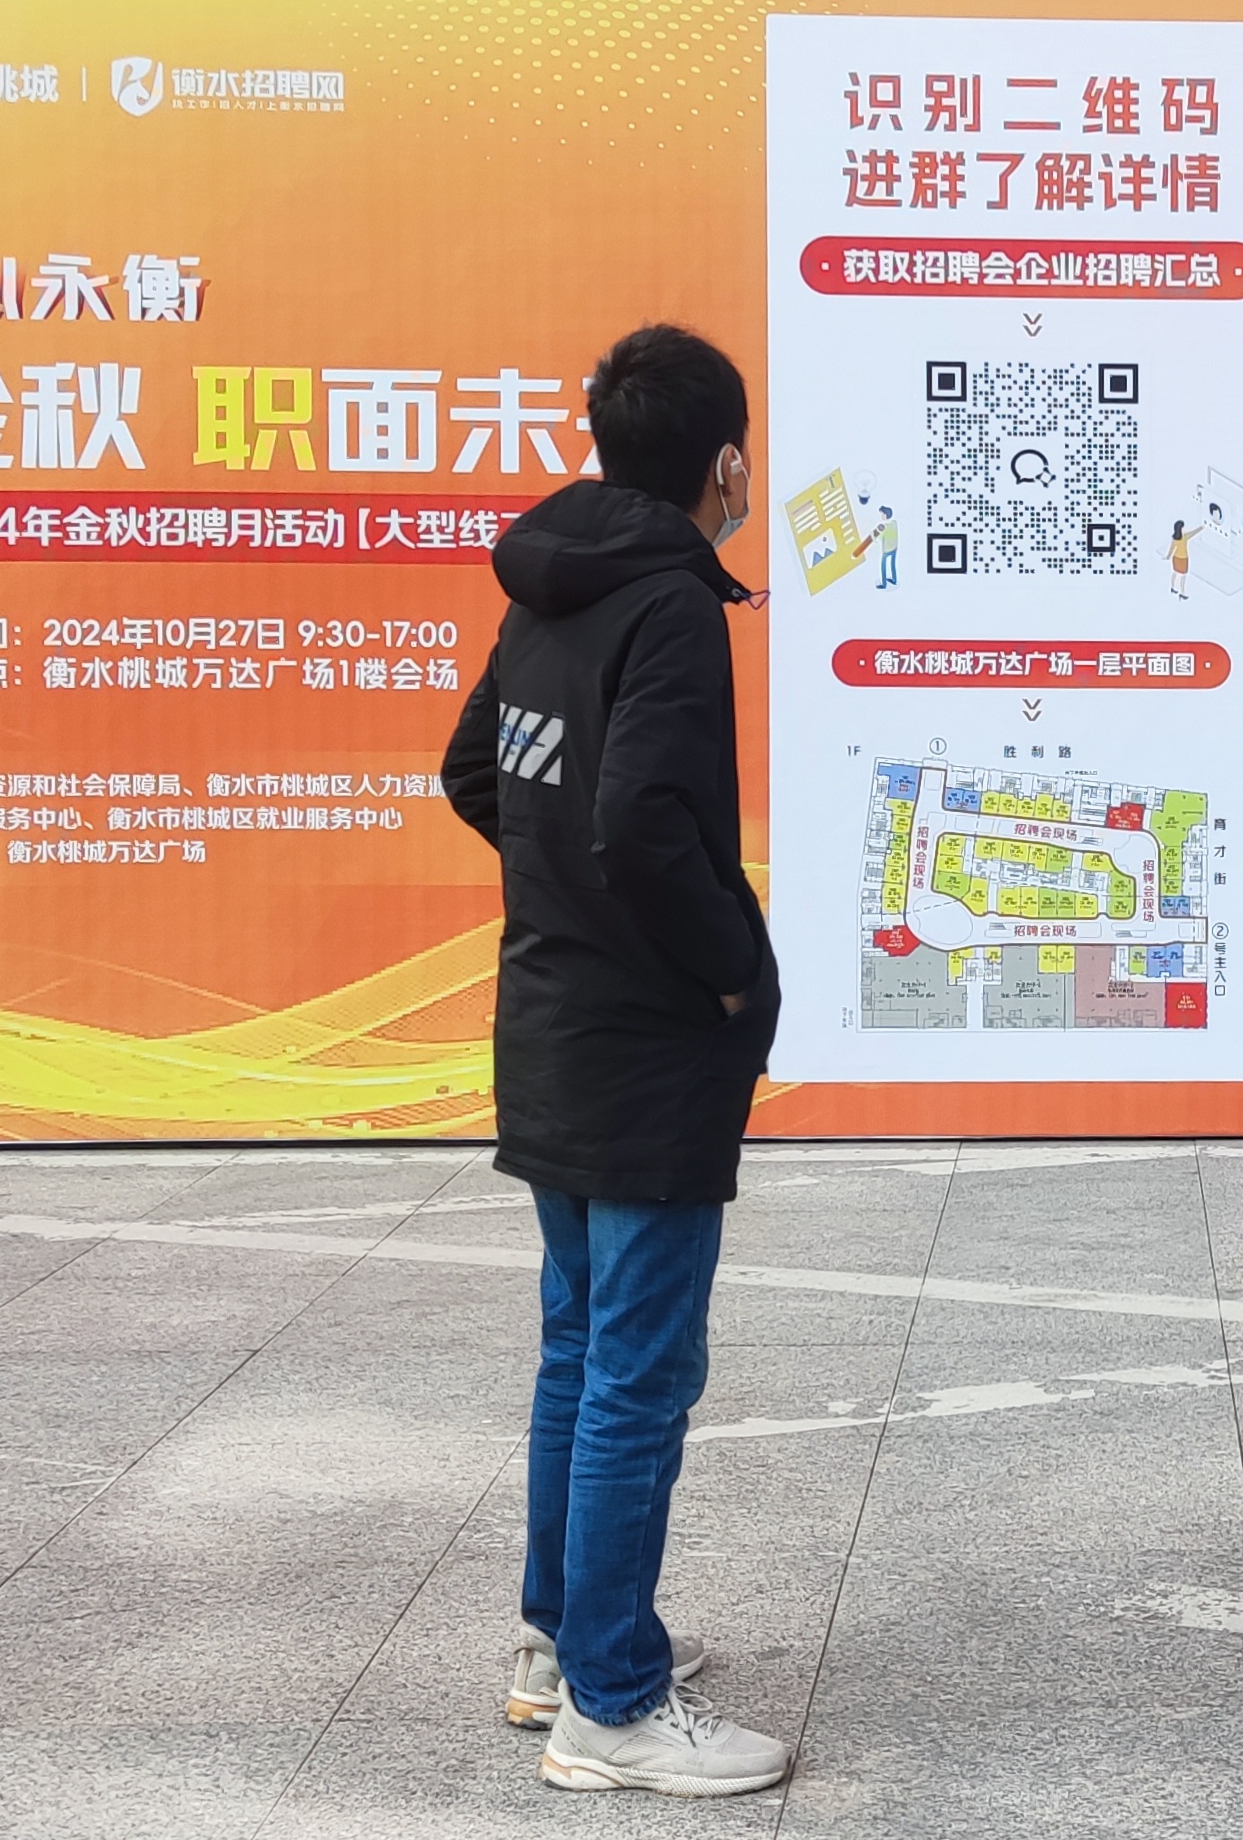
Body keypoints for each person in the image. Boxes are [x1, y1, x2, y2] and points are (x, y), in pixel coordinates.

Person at [442, 324, 792, 1795]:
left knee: (581, 1351)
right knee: (638, 1373)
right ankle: (614, 1707)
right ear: (725, 464)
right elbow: (643, 820)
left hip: (550, 1015)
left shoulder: (552, 584)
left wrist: (570, 900)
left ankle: (562, 1645)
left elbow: (476, 772)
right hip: (644, 1043)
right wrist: (730, 969)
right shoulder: (668, 606)